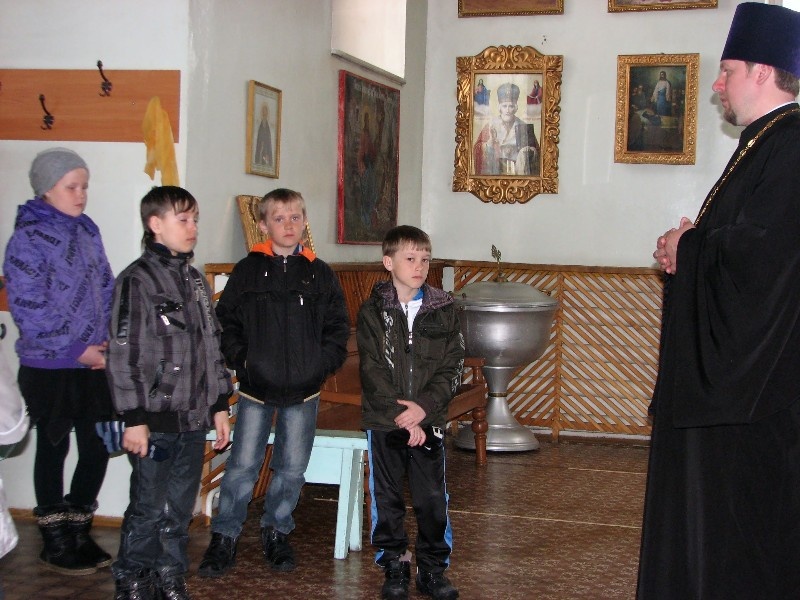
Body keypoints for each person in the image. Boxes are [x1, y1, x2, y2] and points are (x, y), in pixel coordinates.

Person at [639, 4, 800, 598]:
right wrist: (692, 245)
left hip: (754, 398)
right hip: (735, 391)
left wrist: (689, 245)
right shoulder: (763, 143)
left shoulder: (790, 146)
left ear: (762, 71)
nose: (715, 84)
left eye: (726, 70)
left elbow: (767, 259)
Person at [198, 188, 349, 577]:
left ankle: (277, 531)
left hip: (304, 390)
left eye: (295, 217)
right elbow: (226, 321)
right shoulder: (247, 271)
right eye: (279, 219)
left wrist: (320, 365)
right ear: (264, 225)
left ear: (304, 222)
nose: (288, 225)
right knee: (242, 465)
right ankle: (225, 535)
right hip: (256, 389)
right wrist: (243, 361)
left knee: (291, 468)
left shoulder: (319, 273)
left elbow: (337, 327)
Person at [106, 186, 233, 600]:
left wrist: (219, 404)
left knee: (179, 506)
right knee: (148, 505)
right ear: (155, 224)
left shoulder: (195, 281)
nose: (192, 227)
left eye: (195, 219)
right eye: (183, 219)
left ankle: (169, 574)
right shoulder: (136, 280)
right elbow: (124, 354)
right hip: (154, 420)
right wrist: (134, 418)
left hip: (193, 419)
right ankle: (133, 576)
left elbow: (212, 346)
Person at [2, 147, 115, 576]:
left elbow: (106, 287)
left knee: (97, 445)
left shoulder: (88, 230)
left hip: (93, 362)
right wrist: (75, 349)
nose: (81, 194)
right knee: (54, 447)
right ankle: (55, 539)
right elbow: (29, 306)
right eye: (72, 186)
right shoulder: (27, 237)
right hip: (49, 364)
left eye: (84, 186)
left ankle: (79, 528)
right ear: (47, 189)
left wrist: (107, 341)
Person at [357, 225, 464, 600]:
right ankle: (395, 564)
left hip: (428, 420)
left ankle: (432, 569)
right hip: (385, 420)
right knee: (386, 498)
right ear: (388, 262)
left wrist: (423, 409)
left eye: (425, 259)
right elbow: (372, 369)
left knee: (432, 498)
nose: (419, 266)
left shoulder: (444, 310)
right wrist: (402, 415)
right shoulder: (373, 311)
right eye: (410, 258)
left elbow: (452, 366)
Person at [472, 83, 540, 176]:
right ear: (500, 108)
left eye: (511, 106)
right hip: (496, 171)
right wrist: (489, 143)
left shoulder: (523, 126)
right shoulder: (491, 125)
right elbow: (477, 149)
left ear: (515, 108)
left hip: (519, 172)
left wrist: (530, 151)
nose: (507, 110)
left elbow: (537, 152)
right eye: (504, 106)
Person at [254, 102, 273, 169]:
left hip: (266, 148)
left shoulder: (268, 125)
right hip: (260, 146)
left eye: (265, 111)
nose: (264, 113)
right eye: (263, 111)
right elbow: (259, 136)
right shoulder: (260, 124)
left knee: (265, 161)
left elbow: (269, 139)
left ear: (267, 112)